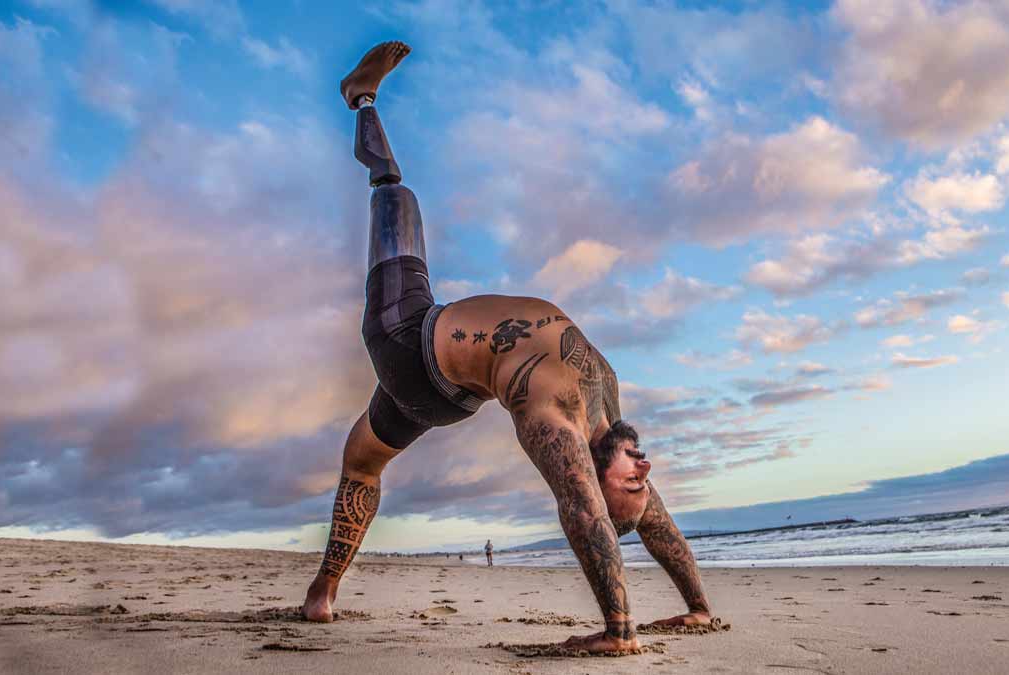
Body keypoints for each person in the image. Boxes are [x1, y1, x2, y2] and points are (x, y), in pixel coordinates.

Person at [302, 41, 712, 655]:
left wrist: (620, 631)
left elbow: (582, 506)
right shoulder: (607, 400)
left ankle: (359, 97)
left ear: (597, 470)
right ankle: (321, 594)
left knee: (395, 195)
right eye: (640, 474)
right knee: (360, 461)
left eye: (630, 481)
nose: (645, 470)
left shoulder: (556, 414)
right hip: (450, 388)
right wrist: (698, 608)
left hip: (406, 342)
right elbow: (646, 517)